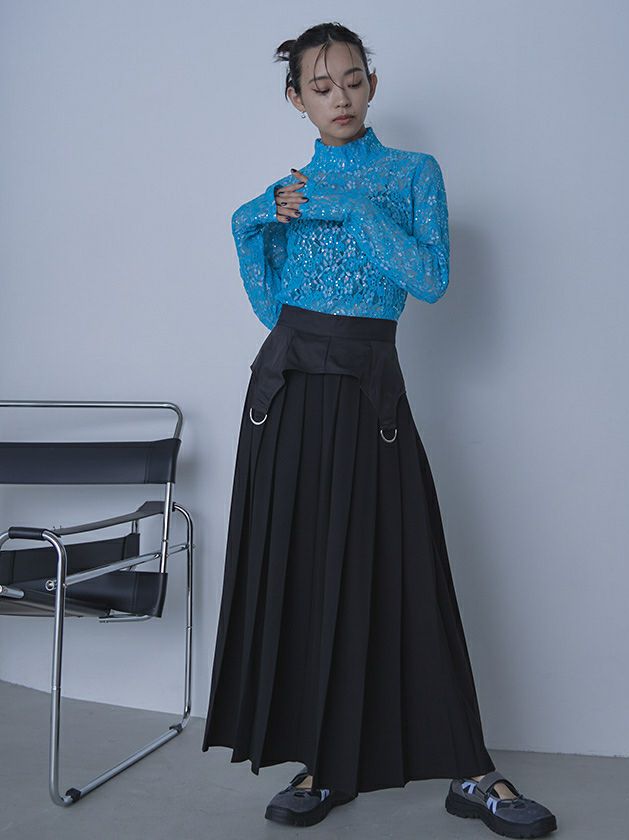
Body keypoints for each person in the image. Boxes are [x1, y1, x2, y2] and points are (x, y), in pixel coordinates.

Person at [201, 21, 558, 839]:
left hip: (369, 393)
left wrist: (357, 209)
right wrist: (250, 221)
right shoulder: (290, 189)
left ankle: (471, 771)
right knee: (306, 573)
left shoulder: (411, 174)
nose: (341, 98)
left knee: (405, 568)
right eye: (321, 86)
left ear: (372, 84)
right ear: (296, 99)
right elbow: (271, 305)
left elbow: (429, 279)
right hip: (284, 392)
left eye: (353, 80)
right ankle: (324, 762)